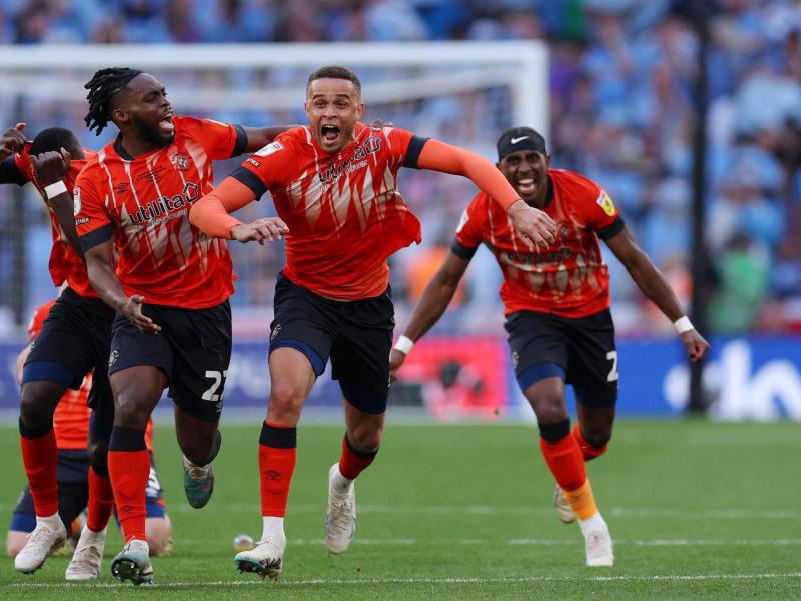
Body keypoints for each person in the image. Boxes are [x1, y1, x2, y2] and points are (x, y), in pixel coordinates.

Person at [188, 65, 556, 579]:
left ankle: (341, 483)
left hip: (368, 304)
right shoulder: (284, 153)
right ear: (307, 109)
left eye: (341, 103)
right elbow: (205, 206)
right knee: (285, 396)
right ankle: (272, 537)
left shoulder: (385, 144)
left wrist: (514, 206)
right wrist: (237, 228)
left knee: (366, 438)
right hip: (305, 299)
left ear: (358, 111)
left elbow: (468, 161)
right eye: (320, 102)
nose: (330, 112)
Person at [388, 126, 711, 567]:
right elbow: (446, 279)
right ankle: (593, 526)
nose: (523, 169)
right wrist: (404, 344)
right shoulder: (483, 210)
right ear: (499, 169)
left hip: (591, 320)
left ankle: (570, 477)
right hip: (531, 319)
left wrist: (683, 323)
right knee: (550, 407)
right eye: (512, 163)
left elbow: (635, 259)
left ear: (547, 160)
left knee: (596, 435)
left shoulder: (585, 196)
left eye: (531, 159)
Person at [73, 67, 290, 585]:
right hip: (143, 313)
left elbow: (266, 139)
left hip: (208, 312)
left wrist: (331, 136)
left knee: (197, 441)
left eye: (165, 93)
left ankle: (198, 464)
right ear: (122, 115)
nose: (166, 103)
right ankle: (134, 544)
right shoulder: (96, 178)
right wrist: (122, 303)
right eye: (153, 98)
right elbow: (98, 261)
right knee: (128, 407)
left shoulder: (196, 134)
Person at [0, 126, 119, 580]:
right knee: (34, 399)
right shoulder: (44, 164)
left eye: (56, 169)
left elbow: (91, 252)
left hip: (121, 305)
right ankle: (49, 523)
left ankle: (91, 541)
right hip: (76, 303)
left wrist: (54, 185)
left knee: (104, 442)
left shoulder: (101, 173)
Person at [6, 300, 172, 561]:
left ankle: (121, 530)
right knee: (17, 544)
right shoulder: (54, 313)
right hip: (64, 454)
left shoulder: (140, 307)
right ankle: (71, 525)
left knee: (153, 539)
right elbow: (27, 362)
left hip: (118, 444)